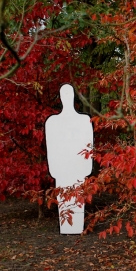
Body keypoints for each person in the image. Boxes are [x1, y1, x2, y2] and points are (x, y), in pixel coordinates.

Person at [45, 84, 93, 234]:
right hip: (62, 169)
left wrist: (85, 168)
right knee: (65, 199)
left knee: (77, 199)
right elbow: (52, 147)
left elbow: (88, 146)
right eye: (64, 94)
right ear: (60, 97)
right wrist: (55, 170)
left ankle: (77, 227)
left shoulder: (84, 121)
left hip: (78, 168)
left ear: (73, 96)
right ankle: (66, 226)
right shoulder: (52, 122)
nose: (67, 97)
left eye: (69, 94)